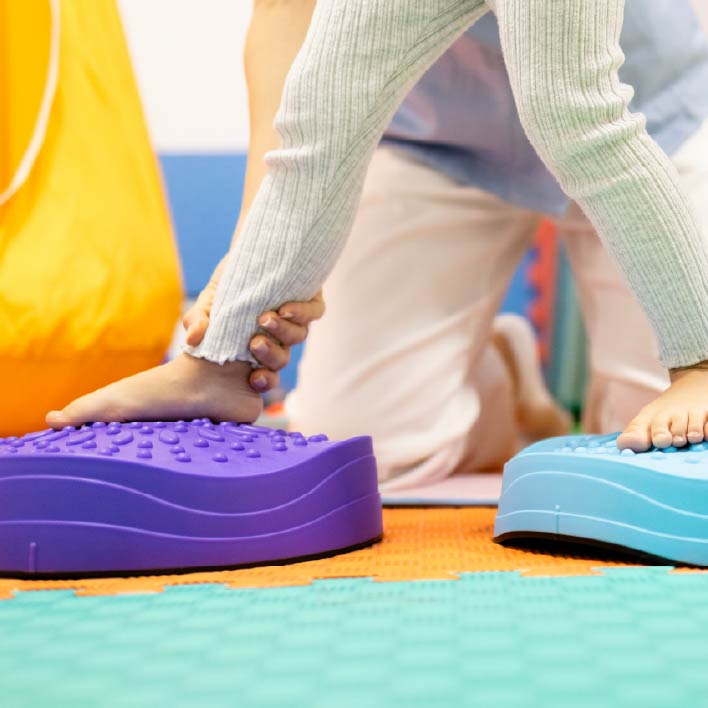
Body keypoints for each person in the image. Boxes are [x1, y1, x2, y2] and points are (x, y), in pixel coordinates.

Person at [48, 0, 708, 465]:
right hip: (440, 143)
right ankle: (220, 366)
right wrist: (253, 272)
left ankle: (698, 363)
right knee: (323, 110)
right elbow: (286, 21)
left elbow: (583, 116)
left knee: (576, 116)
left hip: (654, 109)